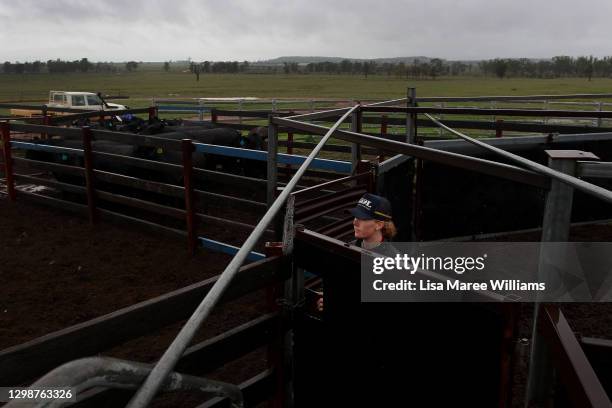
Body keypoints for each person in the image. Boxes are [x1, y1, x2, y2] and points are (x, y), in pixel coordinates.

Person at [316, 193, 398, 311]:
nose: (355, 222)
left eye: (362, 218)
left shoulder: (394, 262)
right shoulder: (349, 248)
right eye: (355, 217)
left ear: (379, 225)